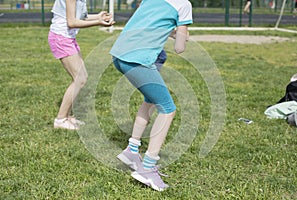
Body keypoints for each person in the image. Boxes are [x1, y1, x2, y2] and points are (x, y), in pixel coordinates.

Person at [110, 0, 192, 191]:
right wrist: (183, 34)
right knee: (168, 109)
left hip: (119, 55)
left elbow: (145, 22)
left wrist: (170, 30)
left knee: (151, 100)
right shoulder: (184, 4)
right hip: (138, 61)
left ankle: (132, 150)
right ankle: (147, 168)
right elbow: (180, 48)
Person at [48, 0, 114, 130]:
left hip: (68, 38)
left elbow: (80, 17)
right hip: (61, 38)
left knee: (81, 77)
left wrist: (97, 16)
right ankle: (60, 120)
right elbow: (72, 22)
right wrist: (98, 23)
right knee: (80, 78)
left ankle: (67, 117)